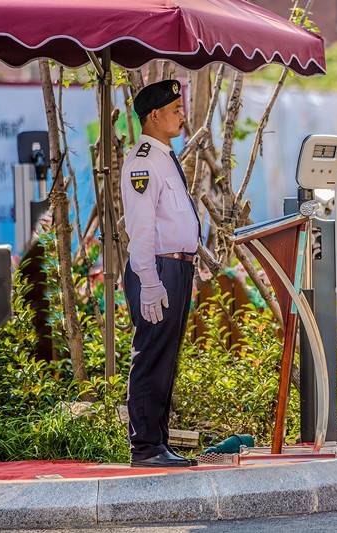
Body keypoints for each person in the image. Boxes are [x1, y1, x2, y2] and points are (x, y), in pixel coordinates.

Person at [120, 79, 201, 468]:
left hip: (176, 267)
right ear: (154, 115)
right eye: (176, 110)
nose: (182, 115)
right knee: (151, 355)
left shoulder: (165, 156)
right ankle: (146, 448)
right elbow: (141, 228)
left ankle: (159, 443)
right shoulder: (142, 161)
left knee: (165, 358)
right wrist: (150, 282)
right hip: (156, 269)